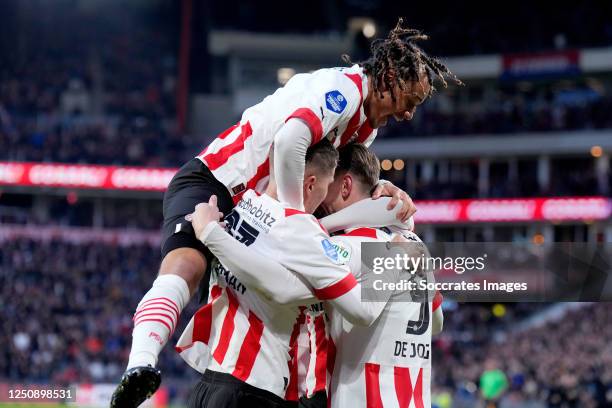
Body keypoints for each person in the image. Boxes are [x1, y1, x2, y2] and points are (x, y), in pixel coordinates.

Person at [111, 18, 461, 407]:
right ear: (391, 76)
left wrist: (379, 190)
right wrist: (296, 222)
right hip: (219, 178)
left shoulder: (366, 129)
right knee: (186, 267)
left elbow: (338, 175)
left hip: (258, 212)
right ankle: (140, 363)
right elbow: (291, 140)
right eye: (410, 100)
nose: (410, 113)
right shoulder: (343, 89)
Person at [189, 143, 443, 407]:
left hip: (360, 398)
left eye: (329, 180)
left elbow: (286, 289)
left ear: (344, 186)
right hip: (413, 397)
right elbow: (436, 323)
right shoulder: (414, 244)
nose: (318, 198)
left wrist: (211, 234)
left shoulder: (349, 247)